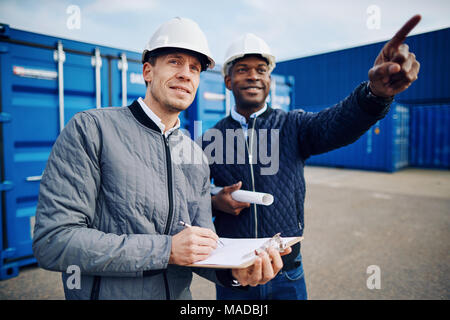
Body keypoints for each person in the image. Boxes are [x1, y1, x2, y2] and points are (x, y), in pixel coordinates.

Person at [32, 17, 289, 300]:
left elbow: (201, 247)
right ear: (147, 72)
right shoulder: (92, 130)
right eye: (175, 62)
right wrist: (165, 250)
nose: (186, 74)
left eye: (194, 68)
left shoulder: (195, 156)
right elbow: (53, 242)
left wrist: (235, 273)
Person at [202, 15, 421, 300]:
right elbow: (191, 197)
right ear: (229, 81)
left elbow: (338, 123)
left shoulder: (294, 125)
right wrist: (214, 201)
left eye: (261, 69)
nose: (253, 75)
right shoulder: (210, 138)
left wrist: (375, 94)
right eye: (243, 70)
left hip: (287, 273)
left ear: (269, 80)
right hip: (235, 275)